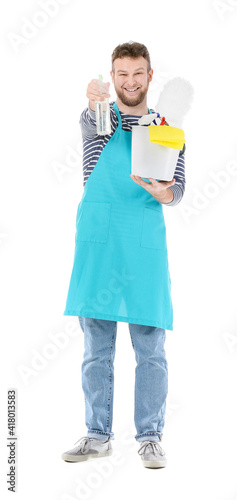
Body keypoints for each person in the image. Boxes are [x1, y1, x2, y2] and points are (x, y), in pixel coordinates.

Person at [62, 42, 186, 468]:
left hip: (143, 247)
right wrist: (93, 99)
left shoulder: (169, 127)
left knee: (150, 349)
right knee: (97, 346)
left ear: (150, 76)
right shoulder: (98, 120)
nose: (129, 82)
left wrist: (162, 191)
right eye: (121, 74)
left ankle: (150, 437)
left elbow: (178, 190)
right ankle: (97, 434)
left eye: (137, 73)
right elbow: (93, 118)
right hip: (99, 242)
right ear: (112, 78)